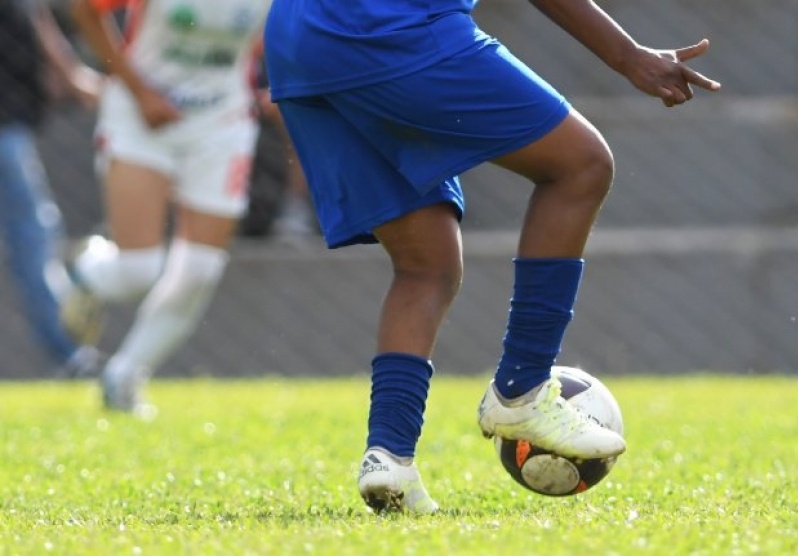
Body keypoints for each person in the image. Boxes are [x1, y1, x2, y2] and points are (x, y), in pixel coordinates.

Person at [264, 0, 721, 513]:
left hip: (298, 41)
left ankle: (389, 455)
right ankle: (523, 390)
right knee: (582, 165)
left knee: (427, 263)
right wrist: (628, 54)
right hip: (388, 26)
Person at [65, 0, 271, 414]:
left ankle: (124, 376)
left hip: (221, 124)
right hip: (140, 116)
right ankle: (88, 269)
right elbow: (85, 9)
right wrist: (140, 92)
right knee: (138, 272)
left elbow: (282, 38)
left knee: (200, 271)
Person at [0, 0, 102, 377]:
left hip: (10, 118)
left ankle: (70, 352)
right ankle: (69, 353)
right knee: (32, 234)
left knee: (34, 233)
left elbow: (37, 18)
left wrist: (72, 76)